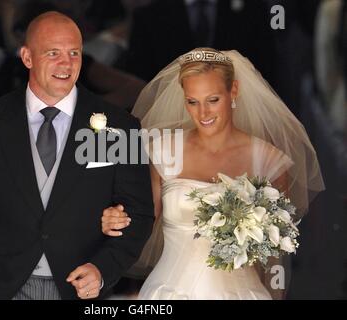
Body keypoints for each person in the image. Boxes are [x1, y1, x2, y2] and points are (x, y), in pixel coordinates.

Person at [0, 11, 154, 300]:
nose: (66, 63)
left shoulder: (119, 126)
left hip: (79, 290)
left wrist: (102, 270)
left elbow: (138, 214)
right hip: (2, 290)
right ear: (27, 58)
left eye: (74, 53)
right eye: (53, 53)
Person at [101, 48, 325, 299]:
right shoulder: (164, 151)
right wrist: (115, 218)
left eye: (213, 100)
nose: (203, 113)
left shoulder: (269, 162)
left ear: (234, 91)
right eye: (192, 102)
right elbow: (141, 219)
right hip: (169, 292)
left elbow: (273, 256)